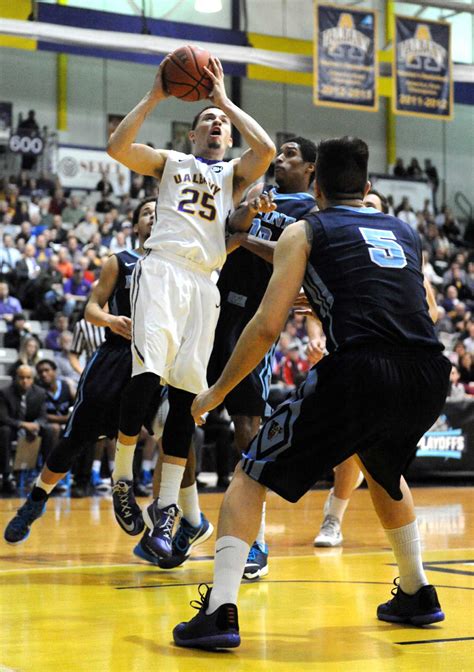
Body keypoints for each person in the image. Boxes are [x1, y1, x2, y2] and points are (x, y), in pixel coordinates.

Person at [173, 136, 451, 649]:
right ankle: (416, 591)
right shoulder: (406, 231)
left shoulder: (307, 230)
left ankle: (219, 612)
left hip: (362, 369)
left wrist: (215, 392)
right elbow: (428, 311)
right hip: (430, 371)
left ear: (316, 187)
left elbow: (264, 328)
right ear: (368, 189)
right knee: (384, 470)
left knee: (249, 473)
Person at [106, 54, 275, 560]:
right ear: (192, 135)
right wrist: (157, 94)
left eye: (221, 122)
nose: (217, 124)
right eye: (208, 119)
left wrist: (223, 98)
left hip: (205, 284)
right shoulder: (172, 163)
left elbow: (264, 148)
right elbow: (117, 148)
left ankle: (165, 512)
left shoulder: (234, 177)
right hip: (162, 269)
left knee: (185, 399)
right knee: (146, 374)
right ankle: (120, 476)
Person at [3, 198, 159, 543]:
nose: (154, 215)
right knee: (75, 439)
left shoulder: (177, 266)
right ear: (136, 226)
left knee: (169, 433)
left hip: (158, 360)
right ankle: (36, 500)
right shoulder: (120, 261)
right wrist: (110, 320)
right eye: (146, 212)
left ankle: (157, 511)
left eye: (159, 210)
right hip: (116, 356)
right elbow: (89, 309)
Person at [0, 365, 54, 495]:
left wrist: (36, 425)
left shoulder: (40, 393)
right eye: (21, 378)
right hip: (13, 427)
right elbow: (3, 418)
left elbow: (43, 417)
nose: (25, 381)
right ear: (15, 378)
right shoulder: (4, 392)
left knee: (49, 430)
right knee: (4, 430)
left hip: (31, 427)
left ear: (33, 379)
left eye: (28, 378)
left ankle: (47, 475)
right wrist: (23, 425)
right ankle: (7, 475)